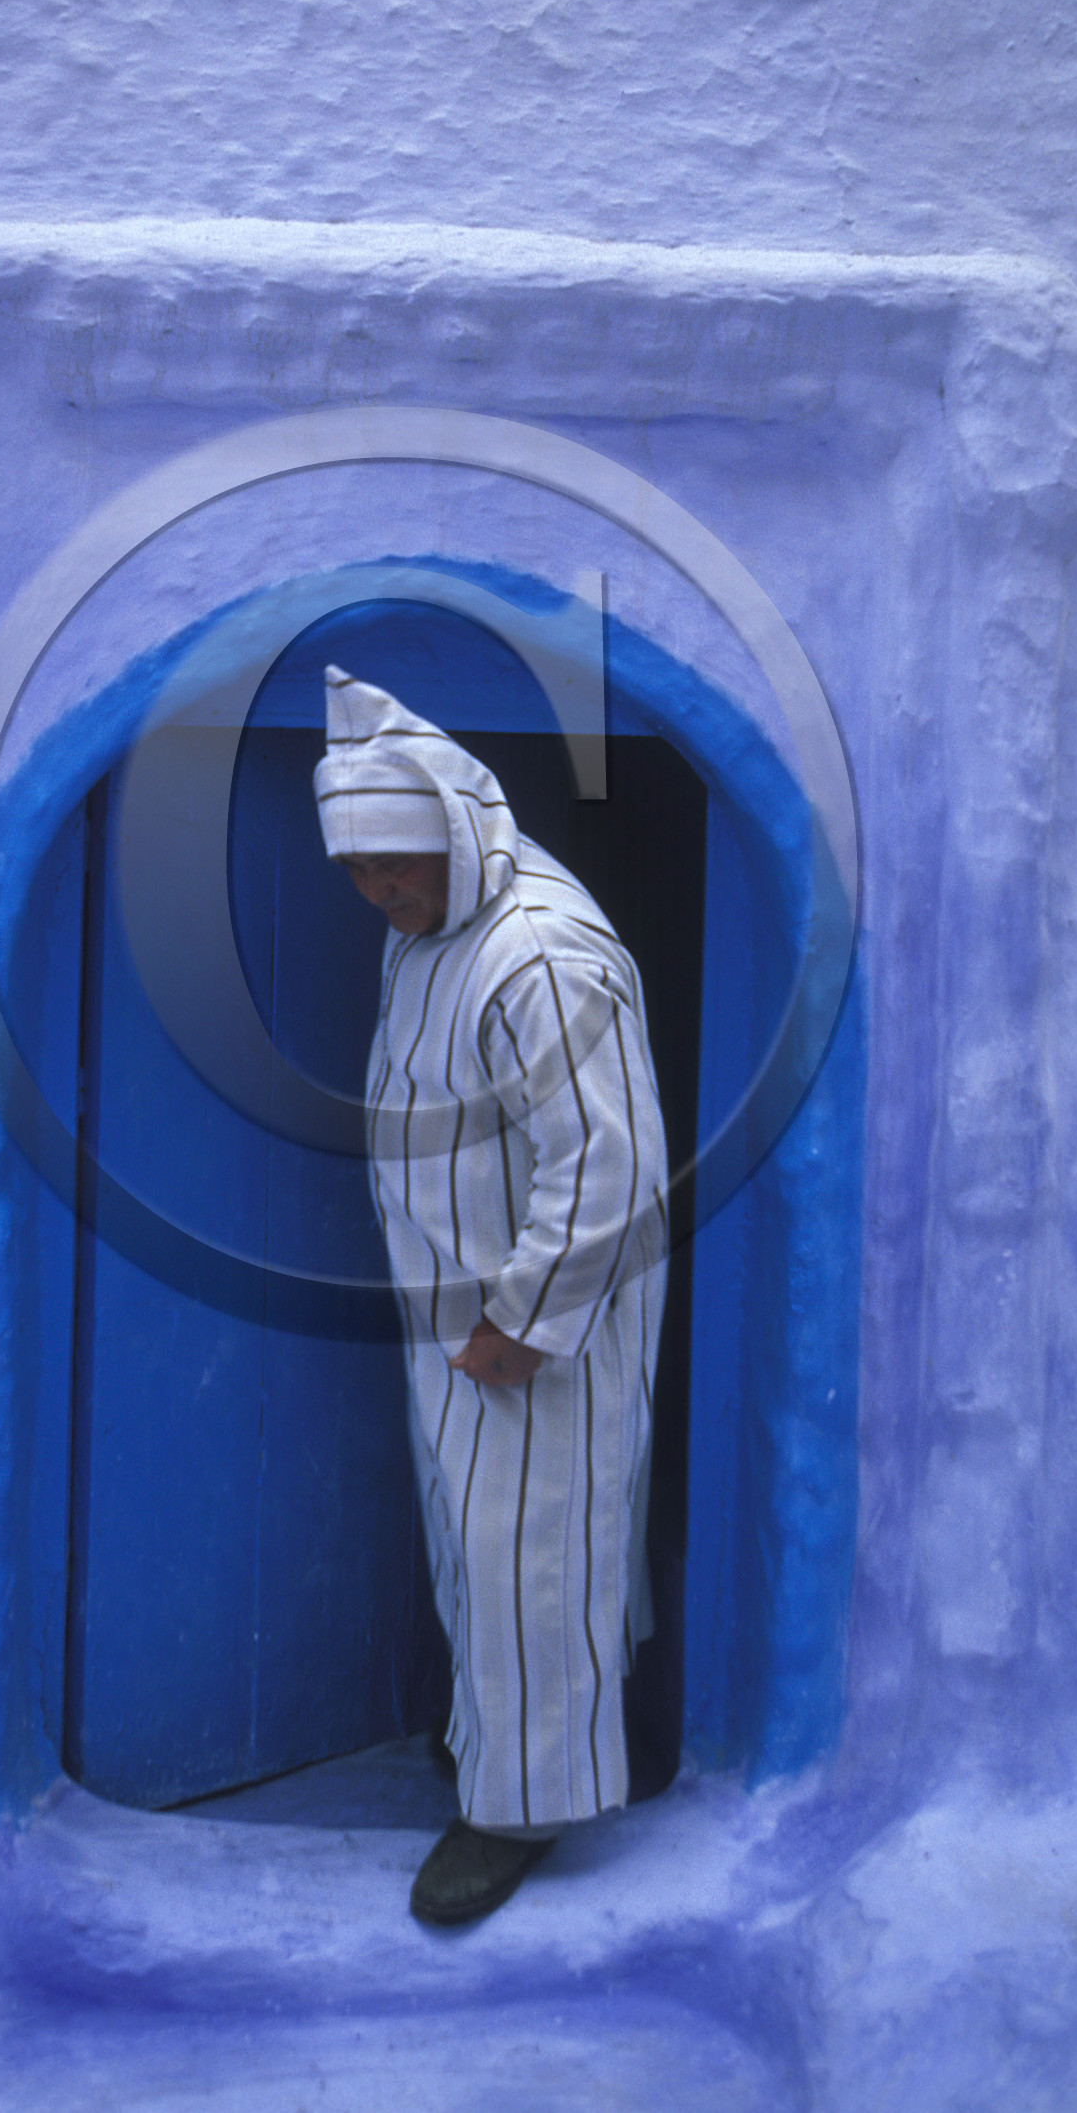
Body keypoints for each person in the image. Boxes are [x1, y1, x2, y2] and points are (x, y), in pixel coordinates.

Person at [313, 665, 669, 1926]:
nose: (378, 891)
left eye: (395, 864)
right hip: (462, 1312)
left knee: (531, 1550)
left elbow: (606, 1159)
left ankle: (519, 1810)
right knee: (488, 1537)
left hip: (530, 1326)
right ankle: (502, 1737)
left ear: (457, 829)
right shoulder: (434, 930)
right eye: (357, 870)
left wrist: (524, 1319)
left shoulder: (539, 956)